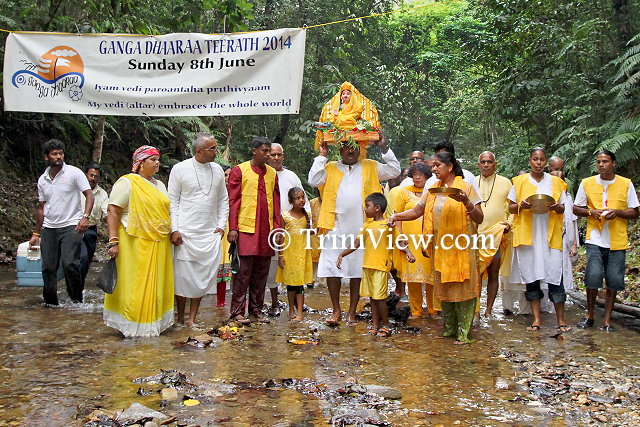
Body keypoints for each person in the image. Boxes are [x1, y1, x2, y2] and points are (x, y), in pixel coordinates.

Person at [389, 151, 484, 343]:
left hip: (462, 247)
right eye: (433, 166)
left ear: (450, 167)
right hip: (441, 247)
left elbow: (480, 218)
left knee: (463, 287)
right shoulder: (432, 189)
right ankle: (449, 329)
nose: (433, 169)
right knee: (445, 288)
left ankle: (465, 333)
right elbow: (417, 211)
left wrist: (466, 202)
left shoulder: (467, 187)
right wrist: (396, 216)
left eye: (437, 165)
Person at [308, 134, 401, 326]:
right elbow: (313, 180)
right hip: (334, 225)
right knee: (333, 269)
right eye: (346, 147)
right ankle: (336, 310)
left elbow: (394, 170)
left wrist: (384, 148)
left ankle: (352, 311)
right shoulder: (330, 167)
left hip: (361, 227)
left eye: (355, 147)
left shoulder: (370, 166)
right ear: (340, 149)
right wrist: (322, 155)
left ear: (361, 149)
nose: (351, 150)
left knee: (357, 271)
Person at [104, 145, 174, 337]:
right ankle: (132, 325)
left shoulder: (160, 186)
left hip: (159, 242)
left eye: (158, 159)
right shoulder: (128, 182)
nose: (157, 163)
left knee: (157, 282)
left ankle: (152, 324)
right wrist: (113, 241)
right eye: (153, 159)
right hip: (134, 242)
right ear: (140, 163)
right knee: (135, 282)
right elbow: (113, 211)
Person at [573, 150, 639, 331]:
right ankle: (590, 315)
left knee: (613, 280)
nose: (601, 165)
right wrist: (590, 212)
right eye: (599, 162)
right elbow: (576, 208)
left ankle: (607, 320)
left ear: (613, 163)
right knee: (592, 277)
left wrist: (617, 212)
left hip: (617, 239)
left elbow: (634, 211)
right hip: (595, 237)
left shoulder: (626, 184)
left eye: (605, 161)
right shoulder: (587, 183)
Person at [168, 133, 229, 327]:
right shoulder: (180, 169)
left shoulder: (218, 169)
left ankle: (192, 319)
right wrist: (175, 229)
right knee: (182, 277)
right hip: (185, 233)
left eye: (215, 147)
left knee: (201, 278)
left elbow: (223, 199)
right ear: (198, 150)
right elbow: (173, 201)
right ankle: (179, 317)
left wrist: (221, 225)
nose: (215, 152)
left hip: (209, 233)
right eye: (212, 148)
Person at [508, 147, 570, 332]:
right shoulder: (519, 182)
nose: (538, 163)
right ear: (529, 161)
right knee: (531, 276)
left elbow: (563, 209)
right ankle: (536, 319)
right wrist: (521, 205)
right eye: (535, 159)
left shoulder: (556, 183)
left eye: (542, 159)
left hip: (550, 234)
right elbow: (511, 207)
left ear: (546, 163)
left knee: (555, 275)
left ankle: (561, 319)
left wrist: (556, 207)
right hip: (528, 234)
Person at [337, 192, 415, 336]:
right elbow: (356, 244)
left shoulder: (388, 225)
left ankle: (385, 324)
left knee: (379, 297)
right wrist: (342, 254)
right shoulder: (367, 225)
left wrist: (408, 252)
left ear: (377, 208)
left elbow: (399, 242)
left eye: (367, 206)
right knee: (372, 297)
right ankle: (375, 325)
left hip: (381, 265)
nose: (365, 209)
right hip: (367, 266)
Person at [30, 139, 94, 305]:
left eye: (60, 153)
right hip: (49, 228)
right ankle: (51, 303)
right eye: (54, 154)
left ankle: (76, 302)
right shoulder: (43, 179)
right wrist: (36, 233)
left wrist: (85, 217)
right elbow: (41, 207)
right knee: (48, 268)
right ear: (46, 157)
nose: (58, 157)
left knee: (69, 264)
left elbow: (89, 195)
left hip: (71, 226)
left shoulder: (74, 173)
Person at [228, 137, 282, 325]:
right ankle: (236, 312)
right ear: (254, 151)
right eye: (265, 151)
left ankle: (256, 309)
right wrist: (233, 228)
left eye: (269, 151)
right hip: (245, 229)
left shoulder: (272, 174)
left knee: (261, 271)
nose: (268, 154)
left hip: (265, 230)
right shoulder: (239, 171)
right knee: (243, 272)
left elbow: (276, 202)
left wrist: (277, 228)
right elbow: (233, 201)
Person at [266, 142, 310, 316]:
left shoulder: (291, 176)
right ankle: (275, 301)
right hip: (271, 228)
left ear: (283, 156)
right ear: (268, 155)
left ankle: (295, 306)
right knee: (272, 266)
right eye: (273, 154)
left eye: (279, 154)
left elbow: (303, 200)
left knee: (294, 269)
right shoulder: (264, 174)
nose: (276, 158)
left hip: (295, 232)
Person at [393, 162, 437, 318]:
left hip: (429, 240)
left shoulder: (433, 192)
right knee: (413, 277)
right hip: (410, 240)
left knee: (431, 277)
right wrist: (399, 236)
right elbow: (397, 215)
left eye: (421, 174)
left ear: (427, 176)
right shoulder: (403, 192)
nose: (418, 177)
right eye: (415, 174)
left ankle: (433, 309)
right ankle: (416, 310)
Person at [475, 151, 512, 317]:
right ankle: (475, 310)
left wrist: (509, 223)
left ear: (495, 164)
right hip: (475, 236)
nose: (486, 165)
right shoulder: (472, 182)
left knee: (493, 273)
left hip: (496, 235)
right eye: (483, 162)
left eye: (489, 162)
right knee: (474, 274)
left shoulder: (506, 182)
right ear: (478, 164)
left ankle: (488, 310)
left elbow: (513, 207)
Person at [276, 187, 313, 322]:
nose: (301, 200)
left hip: (302, 254)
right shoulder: (285, 216)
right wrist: (280, 255)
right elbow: (281, 237)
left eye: (302, 197)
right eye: (297, 198)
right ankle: (291, 310)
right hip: (289, 254)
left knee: (300, 284)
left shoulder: (307, 215)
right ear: (291, 201)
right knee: (290, 284)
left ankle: (300, 314)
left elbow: (310, 234)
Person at [79, 163, 109, 292]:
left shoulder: (102, 194)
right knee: (78, 259)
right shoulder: (75, 189)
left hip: (91, 230)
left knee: (86, 261)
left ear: (99, 179)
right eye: (91, 175)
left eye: (96, 176)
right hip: (72, 228)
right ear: (86, 175)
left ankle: (78, 289)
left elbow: (107, 212)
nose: (93, 178)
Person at [550, 170, 579, 297]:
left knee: (563, 270)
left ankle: (562, 298)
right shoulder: (545, 197)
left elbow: (572, 221)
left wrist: (574, 244)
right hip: (547, 239)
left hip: (564, 239)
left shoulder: (567, 198)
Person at [212, 164, 233, 306]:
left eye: (230, 175)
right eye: (225, 175)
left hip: (234, 230)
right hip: (218, 230)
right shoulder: (214, 192)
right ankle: (220, 300)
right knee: (220, 263)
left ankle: (237, 300)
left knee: (234, 263)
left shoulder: (239, 191)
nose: (228, 178)